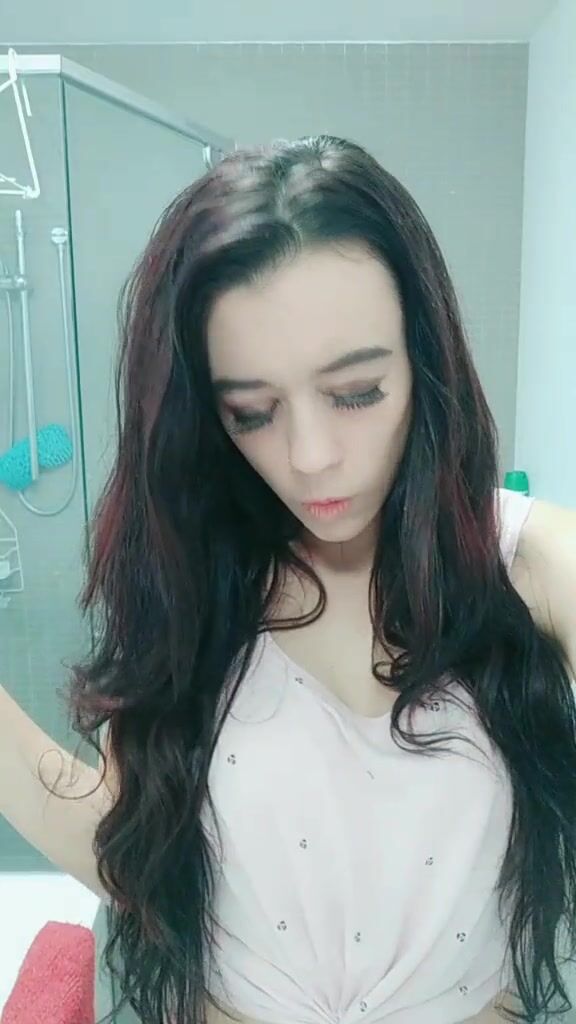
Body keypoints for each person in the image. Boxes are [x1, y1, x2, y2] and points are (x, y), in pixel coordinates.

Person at [1, 134, 576, 1024]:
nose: (309, 457)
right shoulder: (198, 575)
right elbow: (128, 850)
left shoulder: (532, 568)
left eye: (356, 393)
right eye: (252, 412)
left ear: (425, 365)